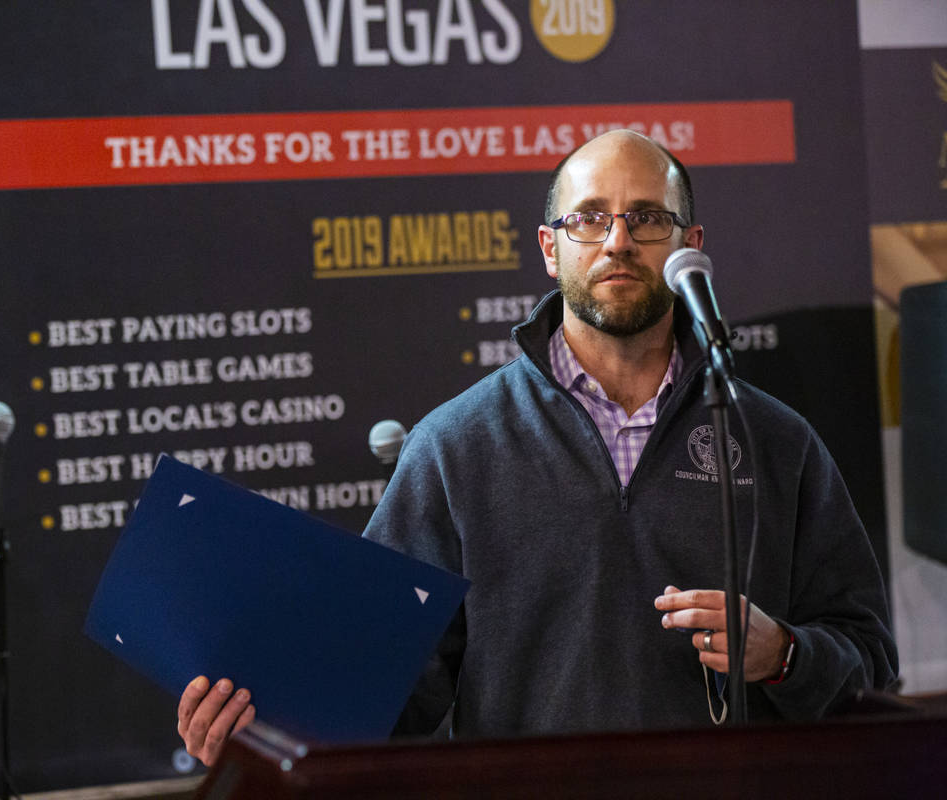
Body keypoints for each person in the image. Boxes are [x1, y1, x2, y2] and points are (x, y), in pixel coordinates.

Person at [176, 130, 898, 764]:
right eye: (590, 219)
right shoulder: (455, 448)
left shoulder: (774, 442)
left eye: (647, 218)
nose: (618, 240)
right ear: (551, 249)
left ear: (689, 246)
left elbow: (872, 665)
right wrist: (261, 723)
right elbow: (385, 689)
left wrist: (786, 657)